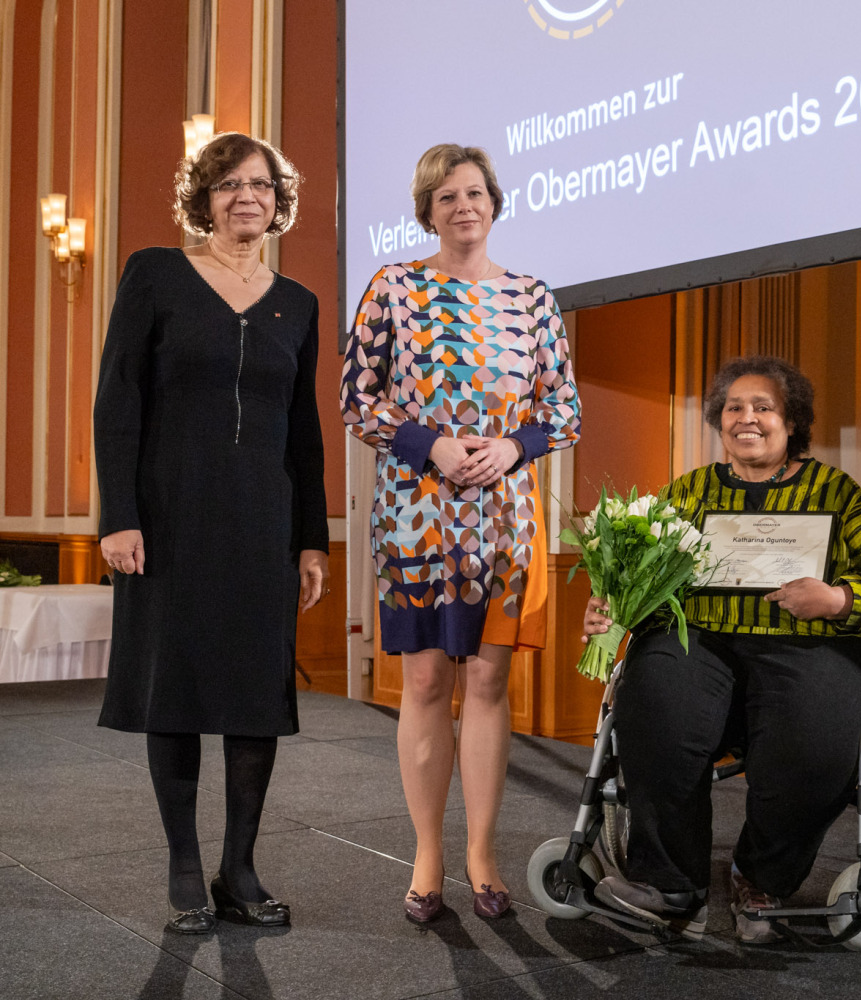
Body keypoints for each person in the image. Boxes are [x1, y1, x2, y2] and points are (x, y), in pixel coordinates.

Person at [583, 355, 861, 945]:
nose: (748, 418)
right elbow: (641, 579)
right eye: (735, 407)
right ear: (719, 421)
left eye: (764, 407)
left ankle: (759, 878)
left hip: (809, 643)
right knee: (657, 694)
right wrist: (611, 607)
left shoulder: (833, 491)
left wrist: (837, 598)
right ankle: (667, 882)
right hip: (703, 640)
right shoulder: (690, 493)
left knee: (822, 721)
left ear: (792, 422)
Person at [94, 132, 329, 934]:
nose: (246, 197)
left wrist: (311, 539)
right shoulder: (155, 274)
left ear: (278, 200)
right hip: (169, 516)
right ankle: (185, 866)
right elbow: (117, 400)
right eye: (228, 184)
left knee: (254, 696)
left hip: (263, 520)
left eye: (260, 185)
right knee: (177, 687)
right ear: (203, 197)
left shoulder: (297, 303)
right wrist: (118, 516)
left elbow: (306, 433)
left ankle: (241, 867)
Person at [342, 143, 581, 924]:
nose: (462, 206)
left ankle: (481, 855)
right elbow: (357, 400)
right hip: (414, 516)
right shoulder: (395, 290)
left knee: (486, 683)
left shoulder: (533, 298)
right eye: (445, 196)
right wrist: (430, 444)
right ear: (427, 211)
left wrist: (514, 446)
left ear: (495, 202)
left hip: (505, 523)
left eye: (474, 192)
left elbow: (565, 411)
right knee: (422, 683)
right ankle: (427, 855)